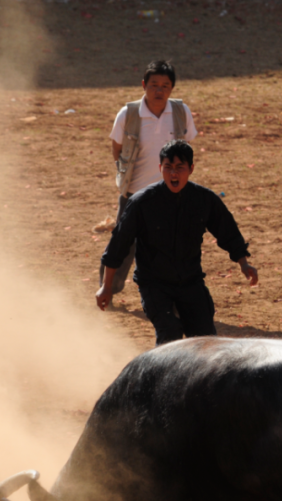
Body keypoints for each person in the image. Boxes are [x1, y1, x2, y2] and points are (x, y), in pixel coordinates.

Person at [96, 140, 259, 346]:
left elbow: (228, 232)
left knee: (205, 340)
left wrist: (243, 263)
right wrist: (106, 287)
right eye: (168, 168)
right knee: (169, 334)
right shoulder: (141, 203)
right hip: (154, 285)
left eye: (180, 168)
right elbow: (118, 245)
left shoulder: (204, 200)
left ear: (191, 169)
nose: (174, 174)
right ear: (160, 168)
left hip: (191, 282)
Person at [102, 60, 198, 305]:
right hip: (134, 193)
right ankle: (108, 290)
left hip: (170, 193)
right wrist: (125, 177)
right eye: (154, 84)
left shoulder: (180, 112)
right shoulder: (129, 114)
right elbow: (117, 148)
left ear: (172, 89)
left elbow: (185, 146)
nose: (159, 90)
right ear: (144, 85)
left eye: (165, 86)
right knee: (123, 246)